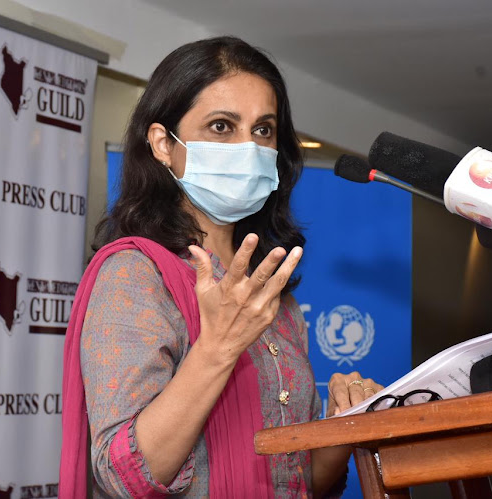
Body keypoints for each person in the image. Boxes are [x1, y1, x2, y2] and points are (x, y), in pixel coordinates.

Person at [60, 36, 383, 498]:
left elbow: (299, 481)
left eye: (263, 130)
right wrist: (218, 349)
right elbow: (125, 476)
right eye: (221, 126)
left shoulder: (275, 298)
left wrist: (342, 425)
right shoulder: (133, 275)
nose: (248, 147)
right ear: (163, 145)